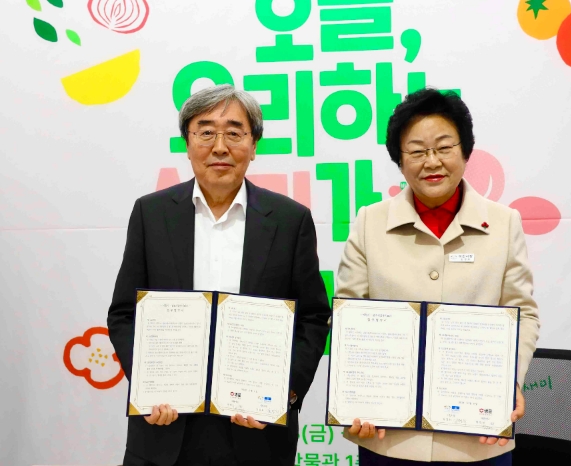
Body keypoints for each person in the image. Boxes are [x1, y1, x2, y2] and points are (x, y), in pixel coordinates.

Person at [108, 84, 331, 466]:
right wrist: (147, 386)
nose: (220, 147)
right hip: (164, 430)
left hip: (257, 432)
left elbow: (312, 317)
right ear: (187, 142)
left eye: (234, 133)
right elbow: (124, 313)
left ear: (254, 144)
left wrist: (286, 392)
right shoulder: (151, 214)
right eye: (206, 132)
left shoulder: (290, 220)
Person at [336, 88, 540, 465]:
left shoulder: (504, 223)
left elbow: (523, 313)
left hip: (478, 439)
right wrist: (356, 395)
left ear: (466, 151)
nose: (432, 162)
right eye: (417, 151)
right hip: (389, 438)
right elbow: (348, 315)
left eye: (444, 147)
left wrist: (507, 382)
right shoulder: (369, 222)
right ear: (399, 161)